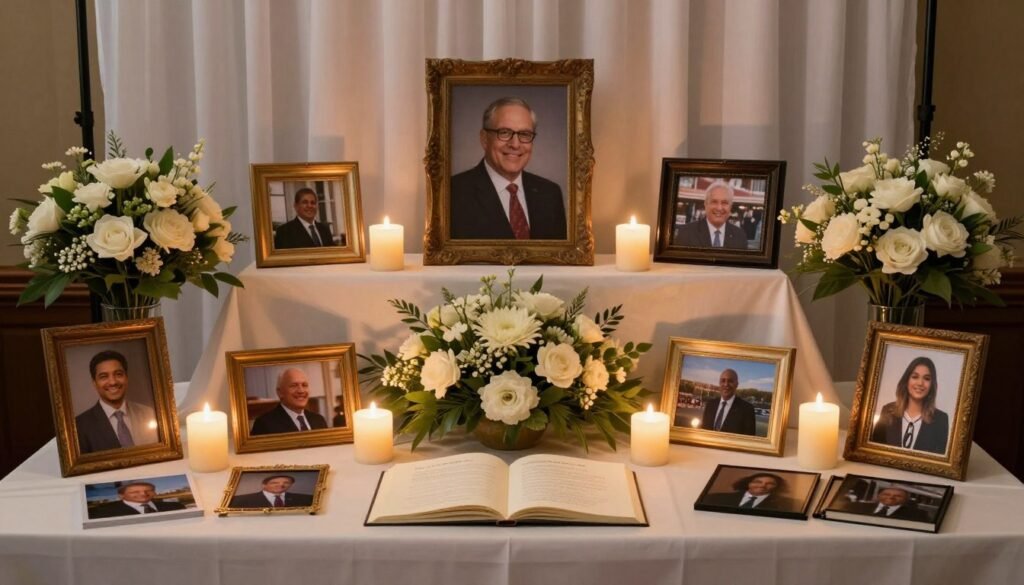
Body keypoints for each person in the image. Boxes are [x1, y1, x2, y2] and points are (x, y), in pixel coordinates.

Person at [450, 96, 567, 240]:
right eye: (504, 132)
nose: (515, 144)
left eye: (525, 134)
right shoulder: (452, 193)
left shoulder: (550, 194)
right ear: (484, 139)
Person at [75, 350, 159, 454]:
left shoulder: (149, 414)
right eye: (104, 377)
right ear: (94, 383)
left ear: (126, 378)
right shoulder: (79, 426)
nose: (113, 382)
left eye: (118, 374)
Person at [870, 356, 949, 454]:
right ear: (906, 380)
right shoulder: (887, 410)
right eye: (915, 377)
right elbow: (873, 452)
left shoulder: (941, 420)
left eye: (927, 378)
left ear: (932, 385)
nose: (920, 383)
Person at [250, 368, 328, 435]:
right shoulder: (264, 424)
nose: (301, 391)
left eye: (304, 385)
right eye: (294, 385)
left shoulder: (319, 420)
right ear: (280, 392)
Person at [674, 181, 748, 249]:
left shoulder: (740, 236)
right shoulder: (686, 233)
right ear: (705, 204)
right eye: (714, 202)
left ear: (730, 207)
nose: (719, 208)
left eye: (724, 202)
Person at [273, 188, 343, 248]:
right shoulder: (284, 232)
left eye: (313, 203)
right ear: (296, 206)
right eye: (305, 202)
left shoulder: (324, 229)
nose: (309, 206)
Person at [702, 472, 799, 512]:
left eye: (770, 484)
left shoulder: (788, 505)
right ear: (747, 483)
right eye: (757, 482)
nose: (762, 485)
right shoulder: (715, 497)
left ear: (777, 487)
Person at [700, 368, 756, 435]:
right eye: (723, 381)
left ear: (737, 384)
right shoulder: (710, 404)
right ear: (719, 383)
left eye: (730, 381)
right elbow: (703, 431)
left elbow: (748, 440)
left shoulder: (747, 409)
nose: (726, 384)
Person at [89, 481, 187, 518]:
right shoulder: (103, 513)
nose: (143, 494)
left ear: (154, 492)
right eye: (135, 492)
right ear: (121, 496)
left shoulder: (176, 507)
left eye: (148, 490)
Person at [842, 486, 931, 522]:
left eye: (898, 496)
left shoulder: (919, 515)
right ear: (878, 496)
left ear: (906, 500)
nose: (891, 497)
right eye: (886, 494)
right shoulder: (855, 506)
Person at [229, 474, 314, 508]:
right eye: (274, 483)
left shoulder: (307, 499)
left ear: (291, 485)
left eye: (286, 483)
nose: (281, 485)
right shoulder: (239, 500)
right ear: (264, 485)